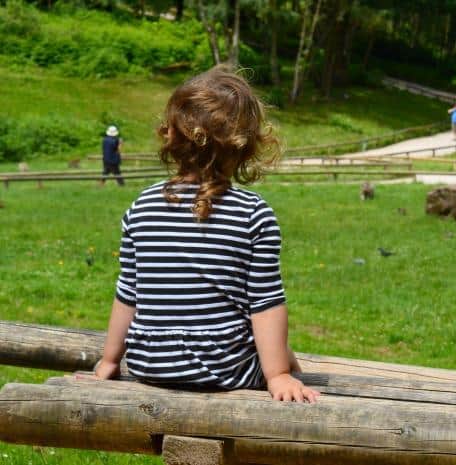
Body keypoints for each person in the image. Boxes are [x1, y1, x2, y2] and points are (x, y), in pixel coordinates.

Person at [93, 66, 320, 403]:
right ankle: (289, 368)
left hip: (149, 364)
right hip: (224, 369)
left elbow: (128, 292)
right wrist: (278, 375)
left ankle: (287, 364)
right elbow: (264, 303)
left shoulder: (141, 206)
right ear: (245, 145)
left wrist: (110, 361)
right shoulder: (253, 214)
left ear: (170, 136)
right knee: (270, 341)